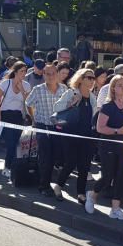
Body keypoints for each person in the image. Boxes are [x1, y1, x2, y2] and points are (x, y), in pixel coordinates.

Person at [86, 75, 123, 221]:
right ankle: (92, 194)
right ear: (113, 88)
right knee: (108, 176)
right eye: (119, 85)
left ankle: (115, 208)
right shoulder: (107, 106)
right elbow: (101, 128)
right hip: (108, 144)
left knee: (121, 176)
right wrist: (117, 131)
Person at [53, 68, 97, 203]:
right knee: (71, 163)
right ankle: (58, 186)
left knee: (84, 166)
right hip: (70, 134)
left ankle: (81, 193)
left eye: (93, 78)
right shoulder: (71, 92)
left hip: (86, 135)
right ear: (81, 79)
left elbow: (94, 115)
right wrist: (71, 103)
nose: (91, 81)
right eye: (88, 77)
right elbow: (56, 108)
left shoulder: (92, 96)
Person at [25, 63, 67, 197]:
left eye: (53, 73)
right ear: (43, 75)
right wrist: (33, 118)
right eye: (47, 74)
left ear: (57, 74)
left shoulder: (64, 89)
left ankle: (50, 181)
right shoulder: (38, 89)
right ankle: (44, 186)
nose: (50, 76)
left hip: (58, 127)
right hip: (43, 126)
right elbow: (28, 104)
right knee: (45, 157)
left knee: (57, 157)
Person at [0, 61, 31, 179]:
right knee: (11, 143)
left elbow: (28, 101)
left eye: (25, 71)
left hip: (18, 116)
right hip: (6, 115)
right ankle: (7, 168)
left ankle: (12, 167)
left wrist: (21, 89)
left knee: (16, 144)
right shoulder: (6, 83)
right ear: (15, 72)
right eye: (22, 71)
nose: (24, 74)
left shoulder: (26, 85)